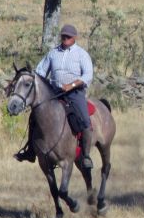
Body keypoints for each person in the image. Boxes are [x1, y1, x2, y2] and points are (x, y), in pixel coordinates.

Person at [14, 24, 96, 169]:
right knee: (34, 117)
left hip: (75, 93)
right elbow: (40, 72)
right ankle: (31, 151)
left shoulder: (81, 54)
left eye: (68, 37)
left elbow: (87, 75)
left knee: (84, 120)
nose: (65, 39)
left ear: (74, 38)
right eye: (63, 36)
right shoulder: (53, 53)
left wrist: (71, 85)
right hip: (54, 91)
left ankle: (86, 155)